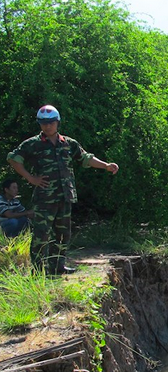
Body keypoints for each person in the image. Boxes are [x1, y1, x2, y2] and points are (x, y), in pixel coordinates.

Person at [7, 105, 119, 275]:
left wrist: (106, 166)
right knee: (41, 235)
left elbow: (85, 158)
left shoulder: (68, 143)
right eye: (43, 123)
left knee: (62, 234)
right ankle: (37, 271)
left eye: (51, 122)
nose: (47, 126)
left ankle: (57, 267)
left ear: (57, 122)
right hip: (45, 198)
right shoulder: (33, 144)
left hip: (65, 196)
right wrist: (31, 178)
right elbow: (13, 159)